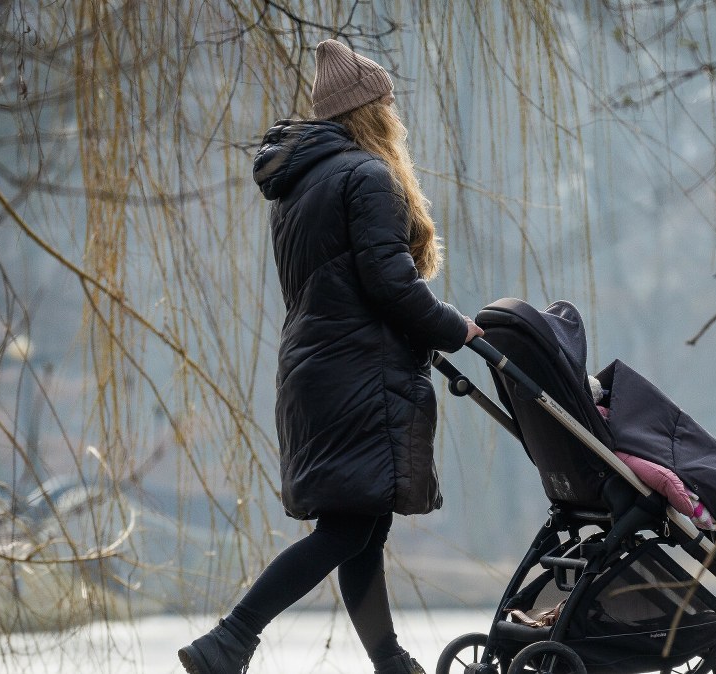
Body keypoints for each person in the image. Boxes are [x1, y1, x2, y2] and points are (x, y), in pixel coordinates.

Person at [177, 39, 482, 674]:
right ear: (370, 110)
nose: (396, 115)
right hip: (357, 375)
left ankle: (389, 661)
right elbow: (391, 284)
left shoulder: (300, 188)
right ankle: (230, 640)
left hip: (318, 369)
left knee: (362, 530)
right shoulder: (368, 177)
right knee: (348, 530)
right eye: (388, 104)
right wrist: (459, 329)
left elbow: (347, 284)